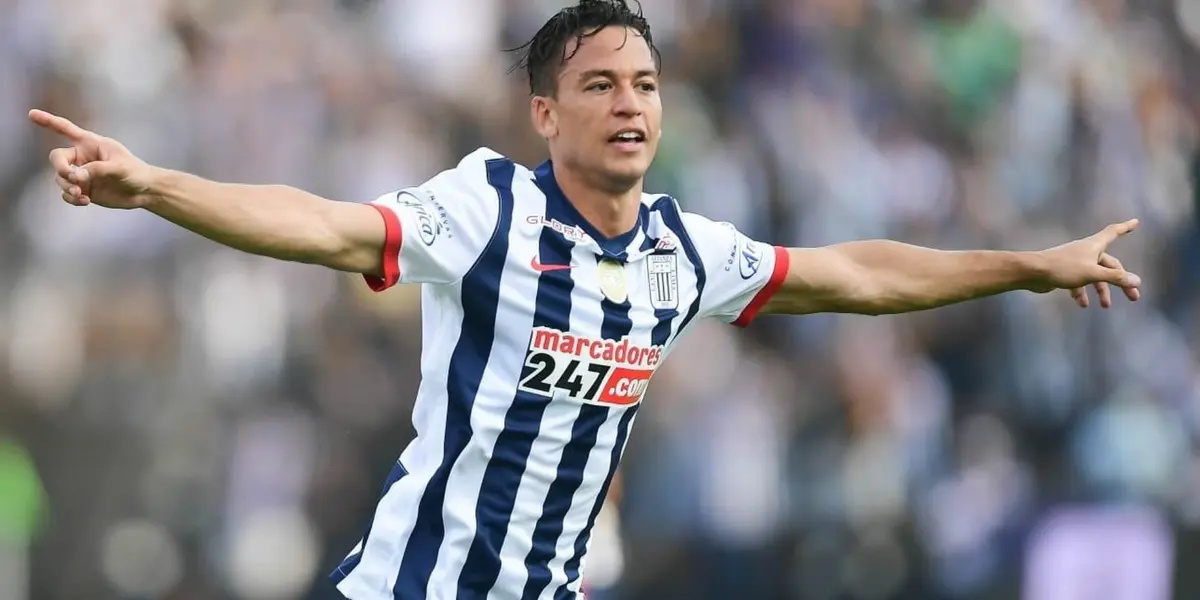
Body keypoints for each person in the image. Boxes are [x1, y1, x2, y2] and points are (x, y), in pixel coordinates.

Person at [28, 1, 1142, 598]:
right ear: (545, 116)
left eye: (645, 84)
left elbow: (856, 275)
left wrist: (1029, 264)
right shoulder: (486, 210)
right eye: (598, 85)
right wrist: (156, 186)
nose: (630, 105)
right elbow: (325, 225)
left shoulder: (685, 252)